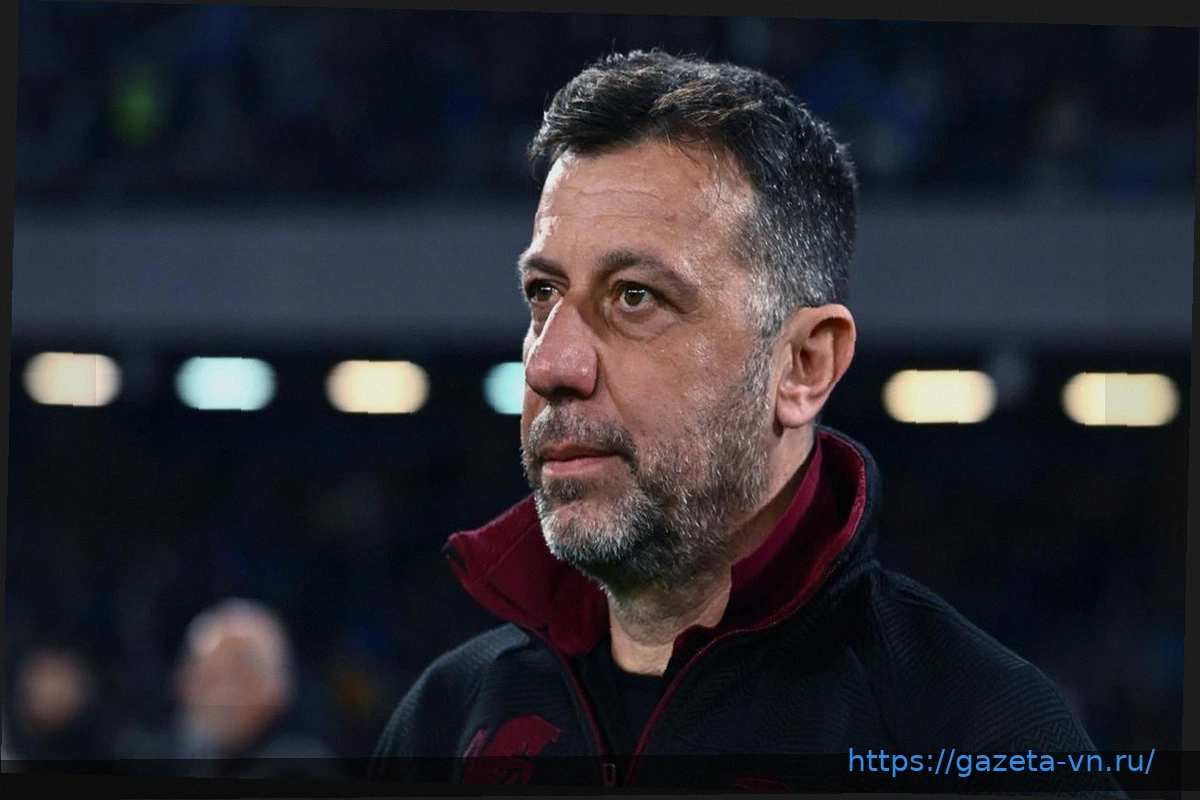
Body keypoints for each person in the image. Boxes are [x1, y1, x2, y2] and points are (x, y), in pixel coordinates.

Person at [372, 50, 1118, 792]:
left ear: (803, 366)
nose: (549, 365)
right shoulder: (445, 719)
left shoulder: (981, 736)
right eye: (543, 294)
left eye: (634, 296)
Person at [171, 598, 339, 779]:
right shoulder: (197, 763)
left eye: (210, 679)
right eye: (204, 677)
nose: (220, 694)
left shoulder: (298, 766)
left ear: (269, 688)